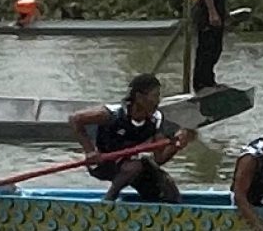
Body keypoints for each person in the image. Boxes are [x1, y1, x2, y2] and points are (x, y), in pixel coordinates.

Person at [72, 72, 195, 203]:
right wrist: (90, 151)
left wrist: (176, 145)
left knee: (167, 189)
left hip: (129, 164)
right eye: (155, 96)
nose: (158, 101)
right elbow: (75, 119)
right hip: (102, 163)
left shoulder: (156, 120)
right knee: (135, 166)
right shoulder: (112, 114)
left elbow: (159, 158)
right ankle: (108, 201)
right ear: (139, 97)